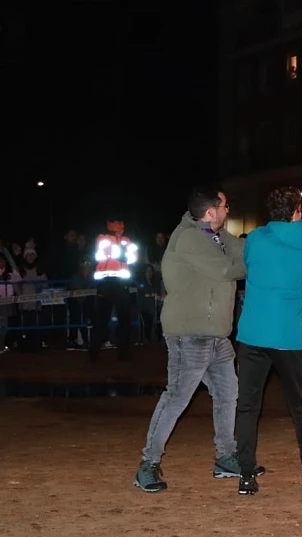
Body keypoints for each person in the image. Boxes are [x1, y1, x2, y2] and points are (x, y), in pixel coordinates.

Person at [133, 187, 264, 493]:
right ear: (210, 212)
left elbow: (242, 249)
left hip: (216, 334)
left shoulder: (216, 235)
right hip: (189, 334)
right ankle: (147, 465)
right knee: (176, 398)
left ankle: (225, 457)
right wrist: (260, 262)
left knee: (228, 394)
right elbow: (228, 268)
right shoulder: (190, 238)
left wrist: (272, 247)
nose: (227, 210)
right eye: (225, 206)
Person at [235, 186, 302, 496]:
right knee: (300, 407)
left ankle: (247, 476)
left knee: (248, 407)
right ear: (297, 212)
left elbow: (252, 261)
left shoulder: (254, 239)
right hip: (288, 339)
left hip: (252, 334)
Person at [89, 214, 139, 360]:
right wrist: (121, 253)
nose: (122, 225)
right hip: (106, 283)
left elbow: (134, 258)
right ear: (110, 224)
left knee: (124, 319)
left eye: (122, 222)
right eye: (118, 222)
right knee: (101, 319)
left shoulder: (127, 240)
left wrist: (122, 254)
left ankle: (123, 352)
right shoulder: (103, 238)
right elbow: (101, 255)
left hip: (122, 283)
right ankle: (94, 352)